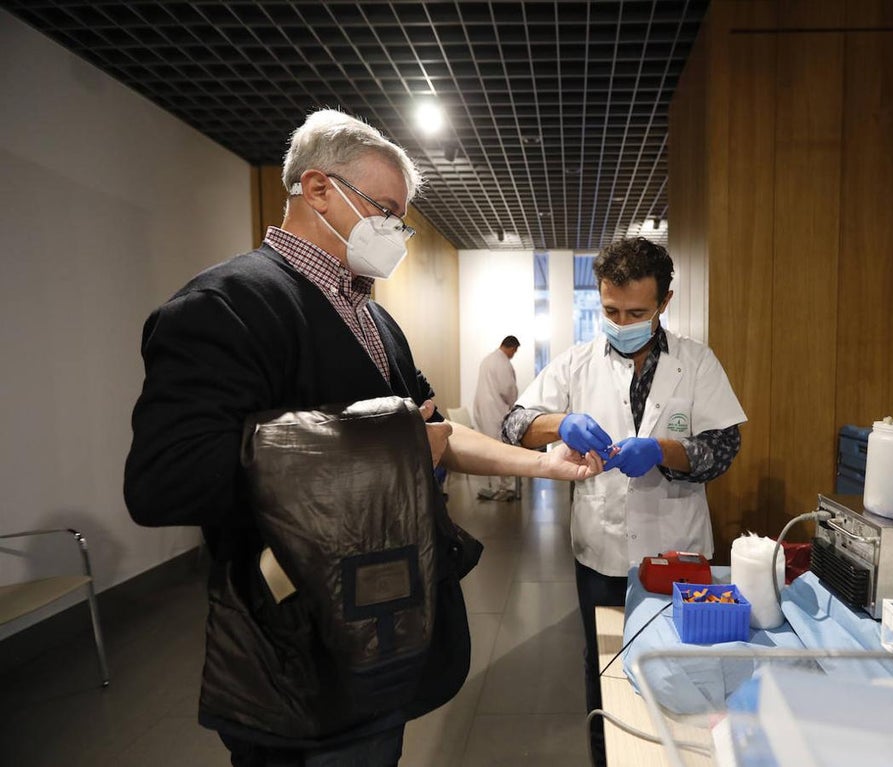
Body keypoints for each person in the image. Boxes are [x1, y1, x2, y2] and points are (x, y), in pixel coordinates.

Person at [123, 109, 602, 767]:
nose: (395, 234)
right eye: (385, 211)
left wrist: (547, 464)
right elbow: (167, 477)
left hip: (386, 625)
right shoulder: (226, 304)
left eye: (400, 220)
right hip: (298, 647)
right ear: (318, 190)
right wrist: (391, 447)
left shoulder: (376, 320)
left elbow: (432, 432)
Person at [501, 236, 746, 767]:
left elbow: (723, 448)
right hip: (601, 552)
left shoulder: (697, 363)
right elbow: (515, 424)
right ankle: (606, 757)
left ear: (665, 302)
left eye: (636, 311)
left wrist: (663, 450)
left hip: (678, 553)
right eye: (611, 309)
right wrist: (558, 423)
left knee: (684, 666)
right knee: (605, 670)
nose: (621, 320)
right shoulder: (576, 363)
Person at [472, 335, 521, 501]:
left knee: (488, 449)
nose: (514, 354)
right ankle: (506, 488)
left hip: (483, 409)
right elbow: (508, 389)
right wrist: (515, 405)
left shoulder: (488, 359)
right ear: (511, 347)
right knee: (500, 449)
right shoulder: (502, 362)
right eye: (515, 351)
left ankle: (495, 486)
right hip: (495, 411)